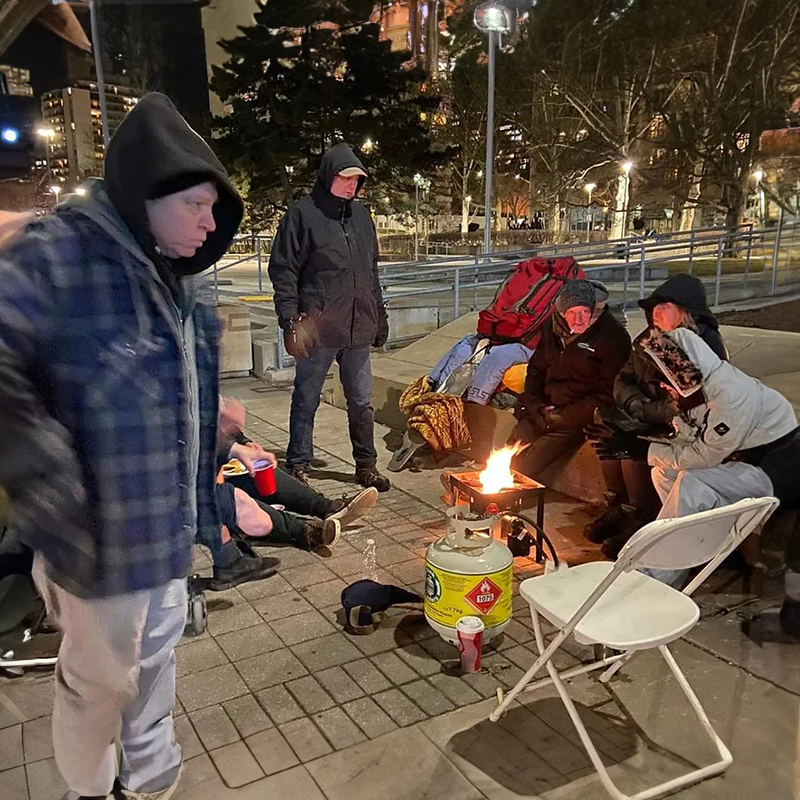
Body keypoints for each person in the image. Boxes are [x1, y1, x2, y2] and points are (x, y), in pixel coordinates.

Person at [0, 93, 243, 800]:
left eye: (212, 209)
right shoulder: (60, 254)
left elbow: (164, 385)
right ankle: (88, 789)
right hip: (93, 535)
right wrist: (51, 483)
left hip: (163, 526)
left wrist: (208, 429)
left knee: (157, 658)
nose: (210, 222)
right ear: (145, 193)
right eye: (195, 204)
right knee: (98, 683)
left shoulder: (183, 284)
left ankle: (153, 776)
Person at [595, 327, 800, 604]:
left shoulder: (731, 395)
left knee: (691, 482)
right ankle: (689, 547)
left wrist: (644, 451)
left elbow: (704, 456)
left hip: (773, 469)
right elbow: (686, 441)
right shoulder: (694, 394)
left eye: (665, 380)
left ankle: (655, 576)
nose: (664, 388)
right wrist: (632, 442)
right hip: (740, 462)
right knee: (663, 472)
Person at [269, 143, 391, 493]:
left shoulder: (362, 217)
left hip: (357, 326)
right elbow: (284, 270)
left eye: (357, 179)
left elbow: (370, 271)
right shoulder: (302, 215)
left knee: (361, 401)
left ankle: (365, 465)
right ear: (328, 176)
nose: (352, 186)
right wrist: (289, 319)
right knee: (307, 397)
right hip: (317, 326)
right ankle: (298, 464)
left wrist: (379, 314)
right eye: (345, 178)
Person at [586, 273, 728, 555]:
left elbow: (688, 403)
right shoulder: (653, 336)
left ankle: (640, 517)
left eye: (664, 308)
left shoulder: (698, 343)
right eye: (654, 308)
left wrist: (646, 412)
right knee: (605, 424)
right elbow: (623, 378)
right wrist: (636, 405)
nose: (655, 314)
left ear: (686, 311)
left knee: (631, 440)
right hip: (645, 409)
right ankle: (620, 505)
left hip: (676, 424)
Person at [510, 280, 631, 483]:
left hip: (574, 420)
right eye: (572, 313)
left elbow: (609, 393)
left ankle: (503, 501)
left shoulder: (613, 337)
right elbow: (536, 371)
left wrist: (563, 416)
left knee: (522, 469)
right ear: (561, 311)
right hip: (540, 411)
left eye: (585, 312)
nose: (578, 319)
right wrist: (535, 405)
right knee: (506, 456)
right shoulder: (551, 328)